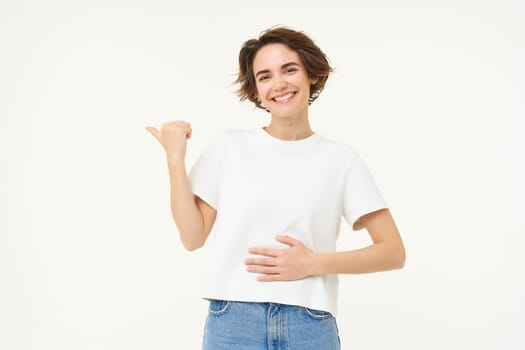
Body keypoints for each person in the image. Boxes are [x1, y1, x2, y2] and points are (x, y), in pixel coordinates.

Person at [146, 26, 405, 350]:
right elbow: (192, 236)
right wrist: (175, 160)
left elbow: (392, 251)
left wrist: (312, 263)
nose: (279, 84)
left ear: (311, 74)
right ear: (255, 91)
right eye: (265, 76)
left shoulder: (342, 159)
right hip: (233, 322)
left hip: (309, 324)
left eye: (289, 69)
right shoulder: (227, 147)